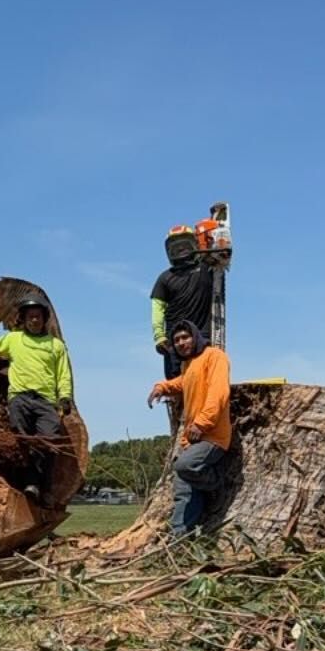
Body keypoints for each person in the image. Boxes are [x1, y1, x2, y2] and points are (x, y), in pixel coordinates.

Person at [0, 296, 73, 504]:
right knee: (23, 440)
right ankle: (30, 483)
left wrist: (65, 398)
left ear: (44, 319)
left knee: (49, 442)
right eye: (30, 317)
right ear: (23, 319)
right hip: (19, 398)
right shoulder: (13, 339)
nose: (34, 320)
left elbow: (63, 374)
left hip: (46, 400)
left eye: (38, 316)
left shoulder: (56, 346)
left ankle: (46, 486)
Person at [147, 320, 232, 536]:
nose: (181, 343)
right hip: (193, 438)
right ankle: (180, 538)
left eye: (185, 337)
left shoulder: (214, 356)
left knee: (185, 466)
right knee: (183, 488)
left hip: (213, 436)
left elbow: (218, 392)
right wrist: (161, 387)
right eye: (176, 341)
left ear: (195, 336)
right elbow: (183, 382)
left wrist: (202, 422)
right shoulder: (189, 364)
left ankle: (217, 484)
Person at [150, 228, 214, 379]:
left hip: (202, 337)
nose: (181, 250)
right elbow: (157, 308)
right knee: (177, 385)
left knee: (203, 380)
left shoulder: (207, 269)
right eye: (176, 248)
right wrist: (159, 336)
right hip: (175, 341)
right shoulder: (164, 278)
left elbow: (222, 260)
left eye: (185, 246)